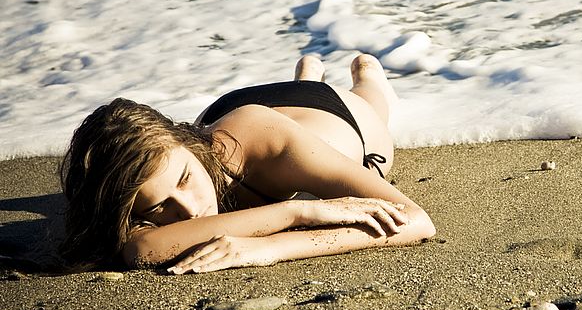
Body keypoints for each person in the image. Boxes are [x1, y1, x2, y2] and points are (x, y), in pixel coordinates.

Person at [59, 54, 436, 274]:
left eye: (186, 178)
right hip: (229, 109)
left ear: (181, 139)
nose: (189, 210)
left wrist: (270, 248)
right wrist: (295, 212)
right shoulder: (158, 167)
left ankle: (363, 72)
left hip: (332, 113)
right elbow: (141, 251)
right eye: (160, 207)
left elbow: (417, 221)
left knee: (372, 102)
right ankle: (305, 73)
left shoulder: (261, 143)